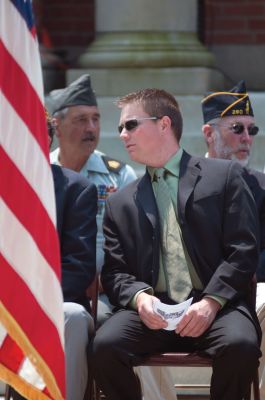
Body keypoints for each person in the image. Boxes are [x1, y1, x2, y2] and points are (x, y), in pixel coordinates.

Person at [90, 88, 261, 400]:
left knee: (241, 346)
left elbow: (243, 250)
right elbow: (114, 273)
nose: (122, 134)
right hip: (152, 313)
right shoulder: (121, 202)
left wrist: (211, 303)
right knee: (105, 347)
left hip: (217, 308)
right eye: (120, 128)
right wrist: (140, 299)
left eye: (130, 125)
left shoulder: (224, 177)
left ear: (164, 124)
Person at [47, 76, 176, 400]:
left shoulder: (118, 173)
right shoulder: (39, 173)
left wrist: (109, 280)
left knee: (126, 324)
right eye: (80, 120)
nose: (91, 127)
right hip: (62, 284)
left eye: (96, 119)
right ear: (57, 127)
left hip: (110, 289)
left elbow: (143, 239)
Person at [201, 80, 265, 398]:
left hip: (252, 289)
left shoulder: (262, 187)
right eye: (237, 128)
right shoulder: (181, 180)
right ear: (209, 133)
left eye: (251, 130)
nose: (246, 138)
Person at [48, 114, 98, 400]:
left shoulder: (75, 189)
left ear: (47, 139)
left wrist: (31, 300)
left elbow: (79, 267)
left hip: (52, 303)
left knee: (75, 316)